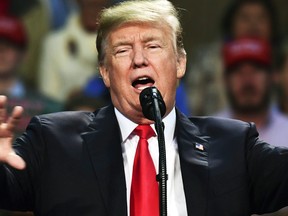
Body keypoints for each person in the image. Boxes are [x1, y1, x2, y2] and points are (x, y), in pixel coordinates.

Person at [0, 1, 287, 215]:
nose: (139, 59)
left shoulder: (233, 145)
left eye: (153, 46)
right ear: (105, 72)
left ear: (180, 63)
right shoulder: (53, 142)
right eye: (122, 50)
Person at [187, 0, 280, 115]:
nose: (253, 25)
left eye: (261, 18)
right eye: (245, 18)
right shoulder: (207, 60)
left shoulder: (281, 60)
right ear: (231, 23)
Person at [217, 38, 288, 148]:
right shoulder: (208, 135)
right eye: (238, 71)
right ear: (225, 79)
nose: (247, 80)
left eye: (256, 70)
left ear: (271, 77)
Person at [38, 0, 110, 102]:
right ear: (79, 3)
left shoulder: (117, 44)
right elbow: (48, 97)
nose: (94, 10)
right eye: (89, 4)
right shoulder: (54, 43)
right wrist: (71, 101)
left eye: (99, 6)